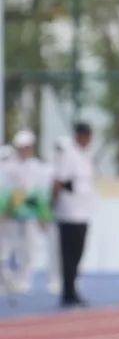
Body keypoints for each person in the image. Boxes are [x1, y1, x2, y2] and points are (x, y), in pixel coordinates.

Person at [0, 130, 57, 298]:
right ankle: (6, 280)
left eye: (27, 147)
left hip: (30, 215)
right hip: (10, 216)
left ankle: (24, 280)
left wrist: (42, 215)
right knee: (7, 248)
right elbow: (6, 192)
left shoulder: (37, 168)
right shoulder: (8, 167)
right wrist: (6, 210)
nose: (24, 150)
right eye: (22, 147)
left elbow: (39, 194)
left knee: (29, 250)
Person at [52, 122, 97, 307]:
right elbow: (59, 182)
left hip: (83, 213)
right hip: (68, 212)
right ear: (79, 136)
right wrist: (50, 206)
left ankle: (72, 289)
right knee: (68, 255)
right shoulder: (68, 155)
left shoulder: (85, 157)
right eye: (86, 136)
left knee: (78, 253)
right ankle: (68, 293)